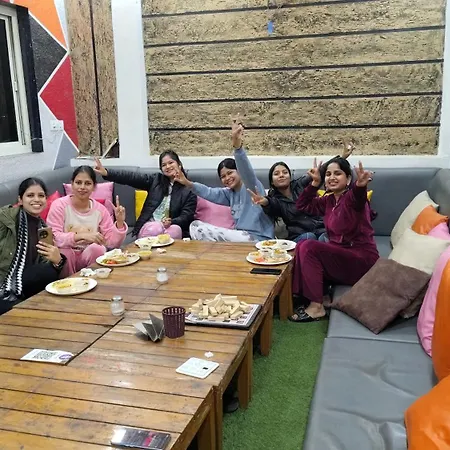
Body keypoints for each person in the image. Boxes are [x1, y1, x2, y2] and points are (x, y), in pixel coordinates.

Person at [290, 157, 379, 322]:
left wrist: (360, 185)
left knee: (309, 246)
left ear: (348, 179)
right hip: (343, 256)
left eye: (337, 173)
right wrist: (314, 184)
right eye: (328, 174)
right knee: (302, 244)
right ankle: (320, 296)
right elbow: (302, 206)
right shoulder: (329, 200)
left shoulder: (352, 198)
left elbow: (358, 197)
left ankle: (316, 307)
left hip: (362, 260)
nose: (332, 177)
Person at [174, 119, 274, 242]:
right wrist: (187, 183)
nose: (227, 178)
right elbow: (208, 192)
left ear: (239, 171)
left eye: (230, 173)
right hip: (240, 238)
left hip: (259, 238)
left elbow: (246, 170)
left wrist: (237, 148)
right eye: (223, 176)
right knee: (195, 226)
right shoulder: (229, 194)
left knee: (200, 230)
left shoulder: (251, 186)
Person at [248, 143, 355, 242]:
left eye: (285, 172)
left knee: (325, 238)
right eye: (276, 174)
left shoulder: (299, 184)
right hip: (299, 236)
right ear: (272, 181)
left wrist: (342, 157)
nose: (281, 175)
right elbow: (271, 205)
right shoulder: (275, 199)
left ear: (290, 177)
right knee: (309, 237)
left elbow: (320, 172)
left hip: (320, 228)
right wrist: (264, 201)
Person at [94, 151, 197, 239]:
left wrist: (172, 221)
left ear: (179, 164)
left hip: (170, 227)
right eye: (164, 165)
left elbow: (187, 216)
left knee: (175, 230)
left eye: (171, 163)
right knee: (156, 228)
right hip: (149, 226)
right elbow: (131, 177)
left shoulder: (189, 189)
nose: (168, 167)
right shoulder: (155, 180)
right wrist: (107, 173)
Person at [0, 178, 66, 315]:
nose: (36, 200)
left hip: (25, 280)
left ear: (46, 199)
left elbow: (45, 265)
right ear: (20, 199)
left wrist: (58, 261)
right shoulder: (5, 219)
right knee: (14, 311)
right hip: (4, 281)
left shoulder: (43, 228)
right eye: (30, 195)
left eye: (41, 195)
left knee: (48, 272)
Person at [46, 166, 128, 276]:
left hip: (88, 256)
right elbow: (54, 236)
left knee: (97, 248)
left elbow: (111, 242)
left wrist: (120, 222)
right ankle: (68, 282)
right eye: (78, 183)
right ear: (72, 184)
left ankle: (93, 280)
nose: (82, 187)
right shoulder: (59, 205)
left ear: (94, 187)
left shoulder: (100, 210)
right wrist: (81, 236)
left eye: (88, 183)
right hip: (65, 257)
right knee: (64, 251)